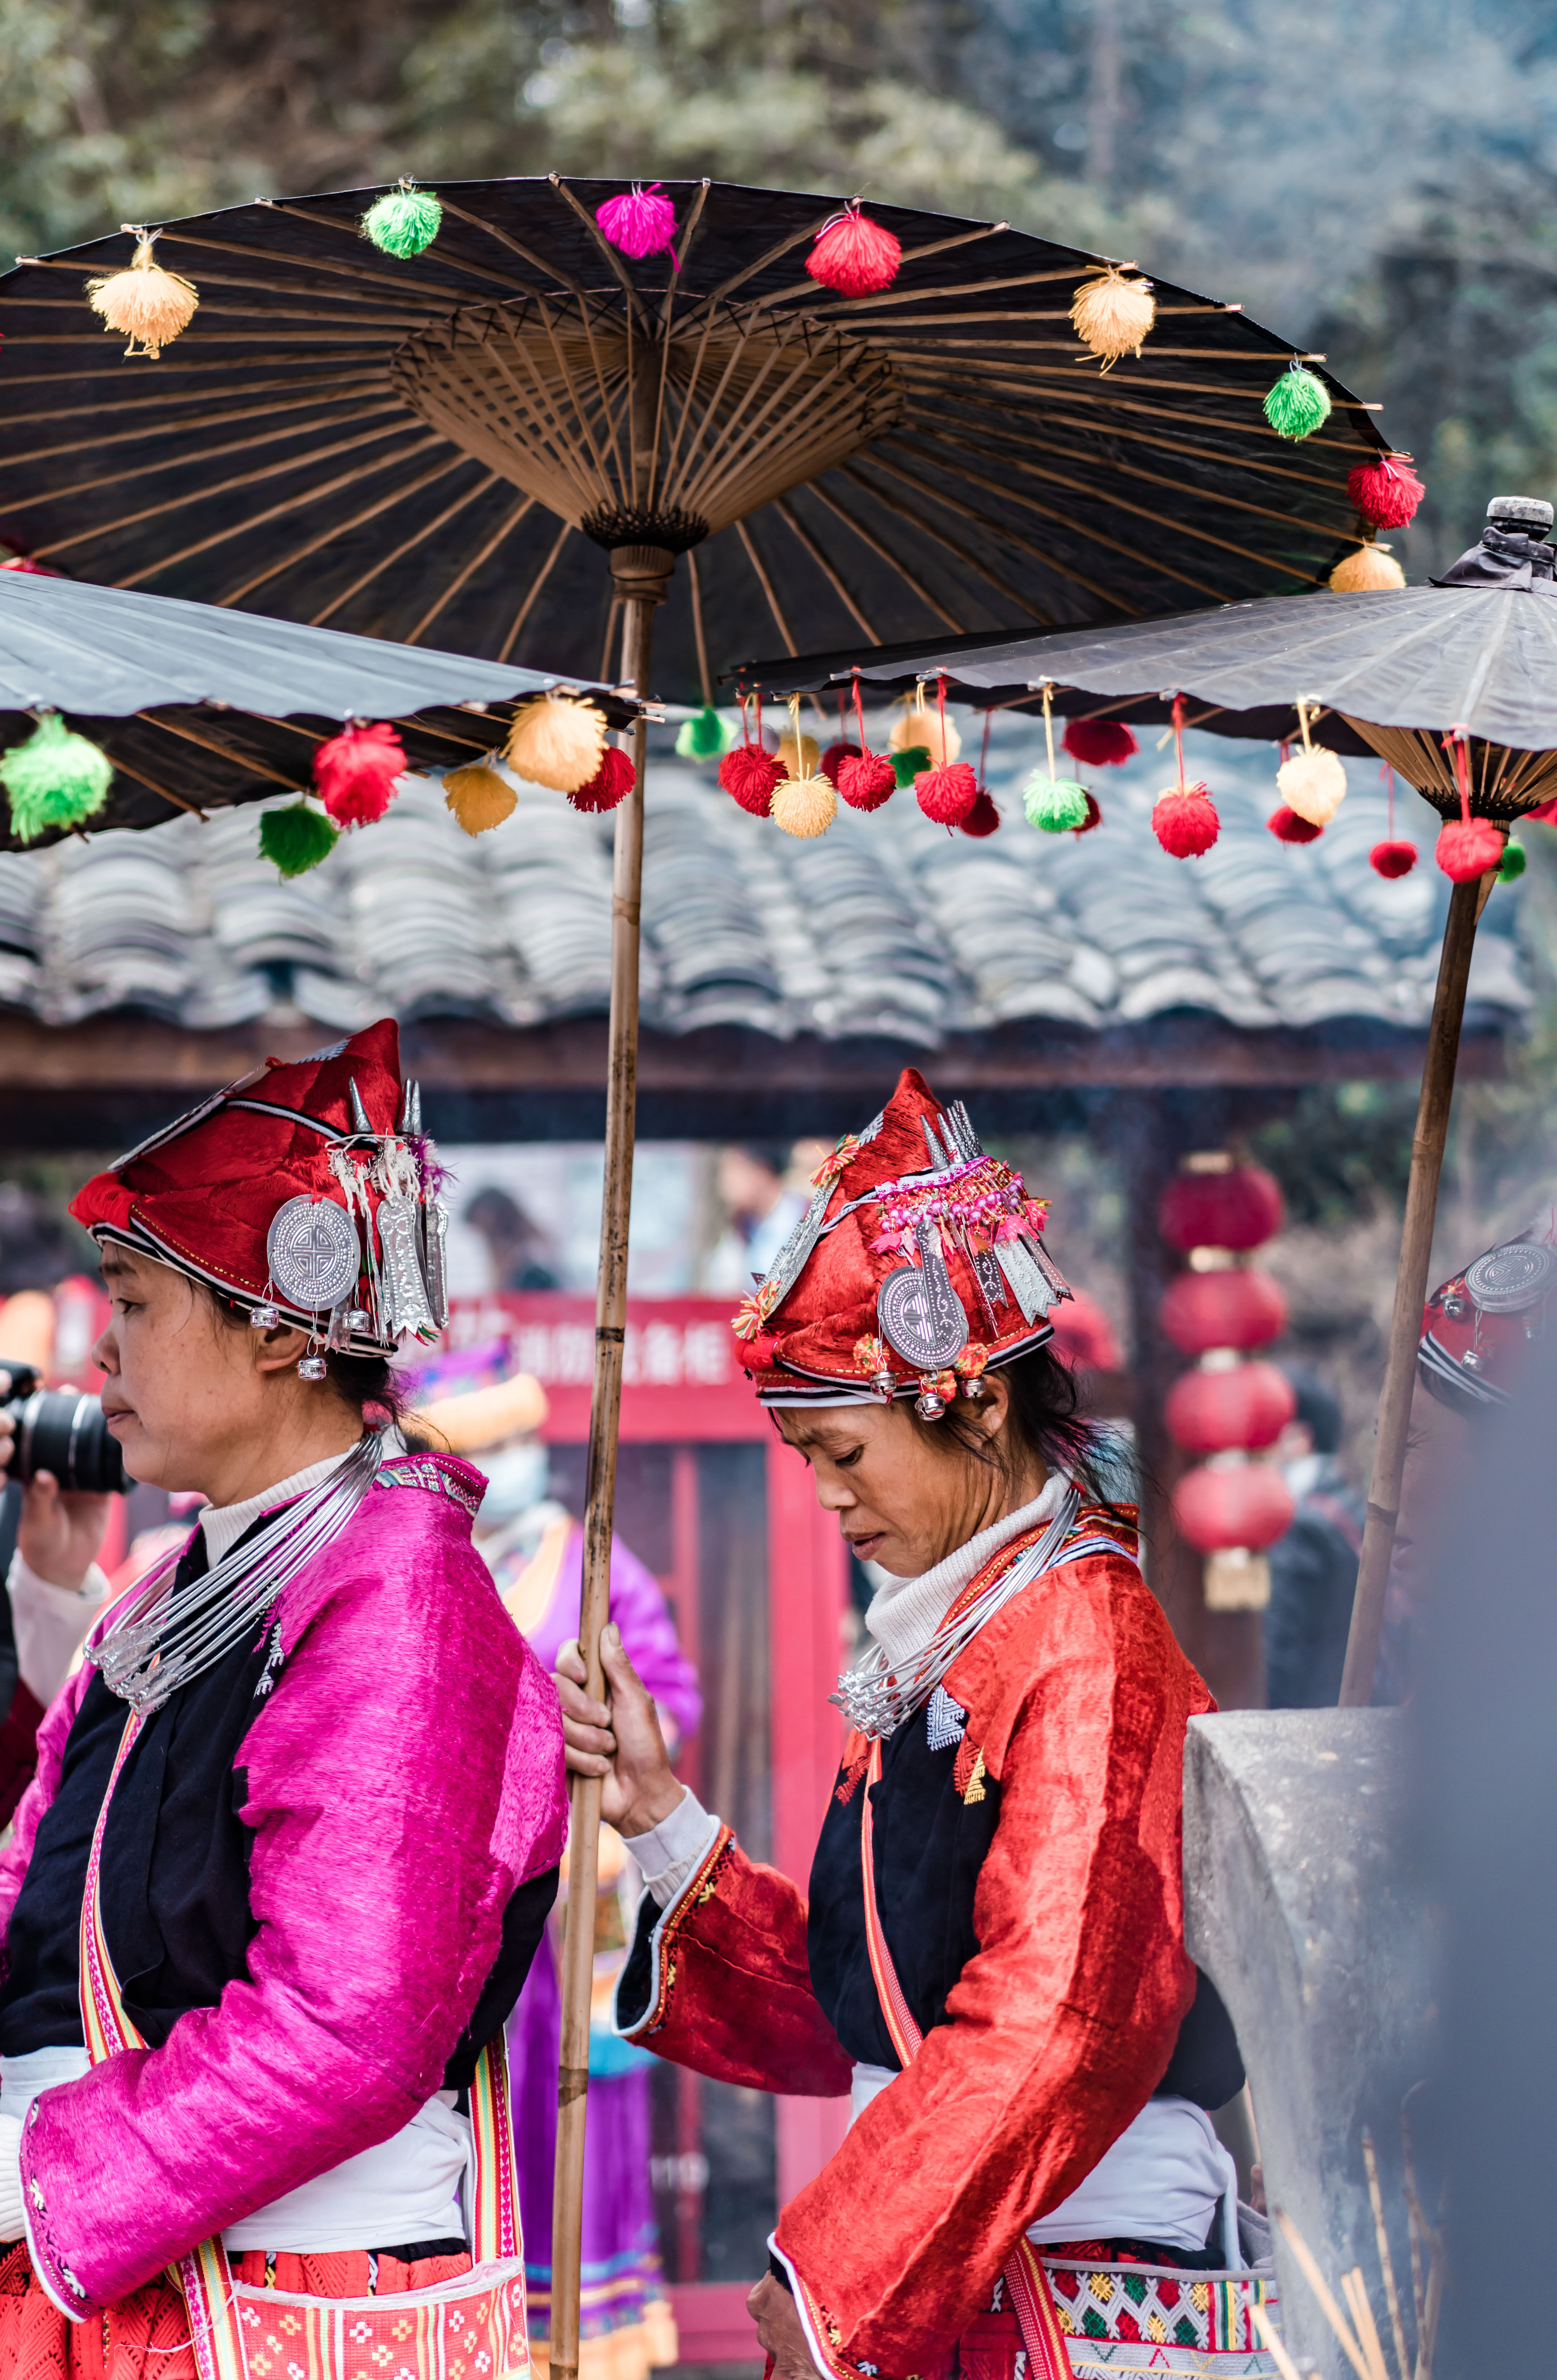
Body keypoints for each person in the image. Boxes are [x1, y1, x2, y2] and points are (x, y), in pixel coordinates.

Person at [558, 1068, 1270, 2380]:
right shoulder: (952, 1638)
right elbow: (864, 2014)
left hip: (1075, 2278)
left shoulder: (1084, 1636)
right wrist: (659, 1815)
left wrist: (832, 2263)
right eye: (806, 1463)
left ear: (978, 1403)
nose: (830, 1497)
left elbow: (1055, 2018)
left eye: (845, 1451)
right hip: (970, 2258)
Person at [0, 1019, 567, 2380]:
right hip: (139, 2267)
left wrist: (40, 2164)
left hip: (275, 2291)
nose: (101, 1355)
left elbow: (346, 2021)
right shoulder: (188, 1579)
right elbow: (46, 1890)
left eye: (134, 1303)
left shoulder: (399, 1593)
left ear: (273, 1327)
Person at [422, 1376, 699, 2380]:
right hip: (459, 1897)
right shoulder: (433, 1561)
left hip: (575, 1889)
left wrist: (580, 1741)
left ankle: (584, 2325)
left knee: (566, 2107)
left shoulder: (588, 1563)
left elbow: (664, 1696)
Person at [1262, 1367, 1364, 1710]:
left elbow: (1280, 1655)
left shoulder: (1297, 1526)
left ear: (1298, 1438)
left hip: (1307, 1721)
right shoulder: (1351, 1504)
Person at [703, 1145, 807, 1297]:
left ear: (761, 1171)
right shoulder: (739, 1229)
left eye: (733, 1171)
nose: (724, 1186)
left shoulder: (810, 1216)